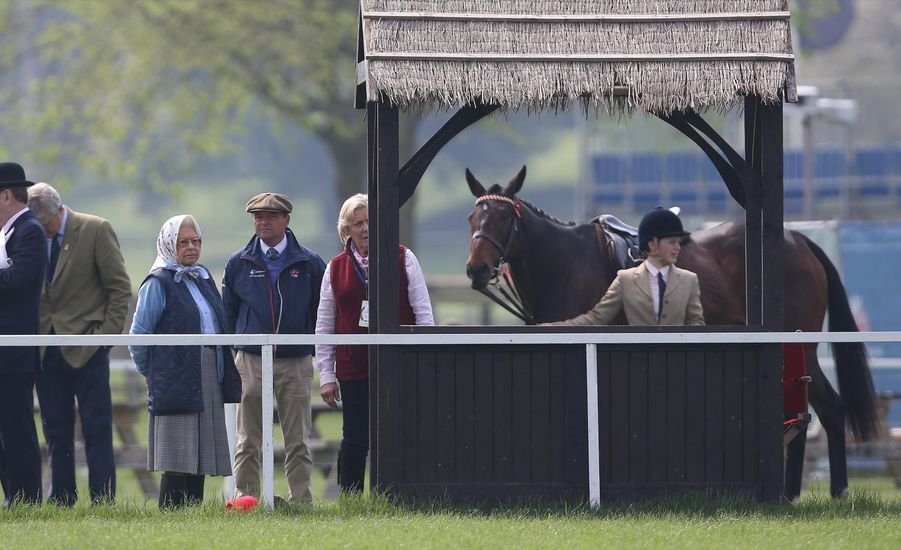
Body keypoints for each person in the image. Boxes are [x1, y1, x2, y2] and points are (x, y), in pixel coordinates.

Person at [315, 193, 434, 494]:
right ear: (347, 230)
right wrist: (327, 376)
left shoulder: (404, 257)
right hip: (354, 367)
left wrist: (424, 361)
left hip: (398, 365)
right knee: (354, 437)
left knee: (401, 432)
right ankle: (350, 498)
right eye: (358, 223)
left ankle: (403, 496)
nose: (366, 228)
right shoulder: (335, 268)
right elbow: (325, 326)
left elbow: (423, 314)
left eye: (370, 221)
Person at [27, 182, 132, 506]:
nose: (43, 232)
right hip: (47, 349)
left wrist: (104, 338)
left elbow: (119, 289)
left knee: (97, 428)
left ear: (59, 210)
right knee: (55, 430)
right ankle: (62, 498)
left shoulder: (95, 229)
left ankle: (103, 499)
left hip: (88, 349)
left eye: (46, 224)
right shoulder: (32, 236)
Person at [129, 215, 241, 510]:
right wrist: (152, 372)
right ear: (169, 244)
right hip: (175, 376)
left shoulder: (202, 278)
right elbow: (139, 335)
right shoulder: (158, 283)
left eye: (196, 241)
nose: (191, 247)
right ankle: (171, 515)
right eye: (183, 242)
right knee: (178, 454)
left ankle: (194, 516)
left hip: (207, 373)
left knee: (201, 452)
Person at [222, 192, 325, 505]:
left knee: (298, 438)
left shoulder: (309, 263)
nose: (262, 222)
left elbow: (320, 310)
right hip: (251, 359)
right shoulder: (238, 263)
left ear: (286, 220)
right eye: (257, 217)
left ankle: (301, 502)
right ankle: (245, 500)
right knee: (247, 438)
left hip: (295, 361)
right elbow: (228, 313)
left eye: (269, 216)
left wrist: (310, 348)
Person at [551, 208, 704, 327]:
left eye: (678, 242)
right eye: (672, 242)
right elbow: (596, 318)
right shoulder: (625, 280)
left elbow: (697, 324)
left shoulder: (689, 280)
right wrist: (550, 328)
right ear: (652, 244)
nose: (678, 247)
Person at [0, 162, 45, 506]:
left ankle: (27, 498)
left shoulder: (28, 231)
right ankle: (13, 496)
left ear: (5, 196)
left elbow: (17, 282)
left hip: (13, 353)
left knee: (17, 430)